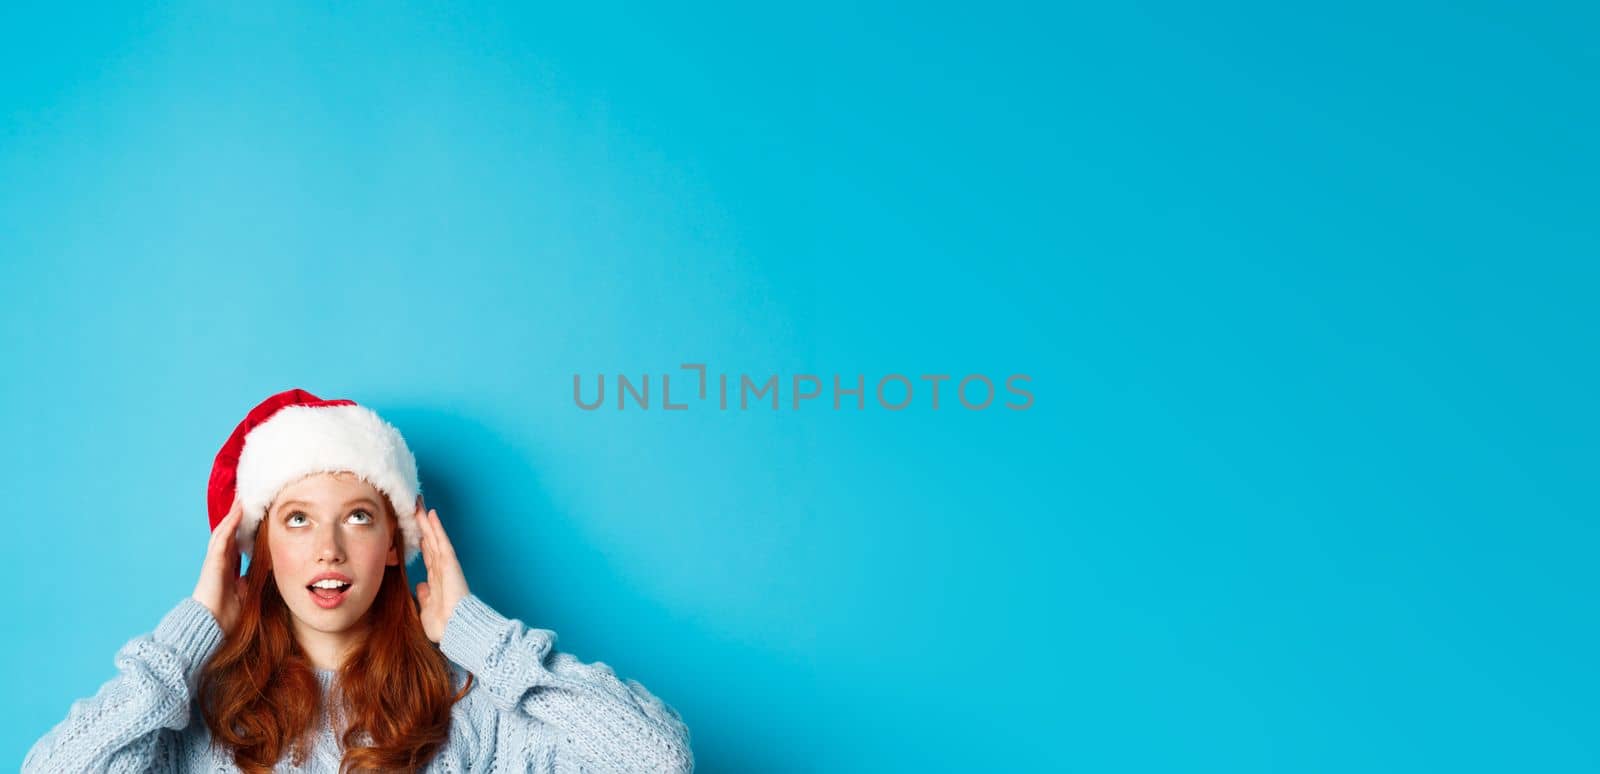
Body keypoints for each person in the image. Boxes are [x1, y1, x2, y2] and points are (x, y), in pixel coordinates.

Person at [23, 388, 694, 773]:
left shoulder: (470, 708)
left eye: (358, 517)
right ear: (253, 550)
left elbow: (656, 759)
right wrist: (186, 640)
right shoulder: (194, 719)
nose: (329, 548)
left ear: (399, 544)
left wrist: (480, 638)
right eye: (296, 519)